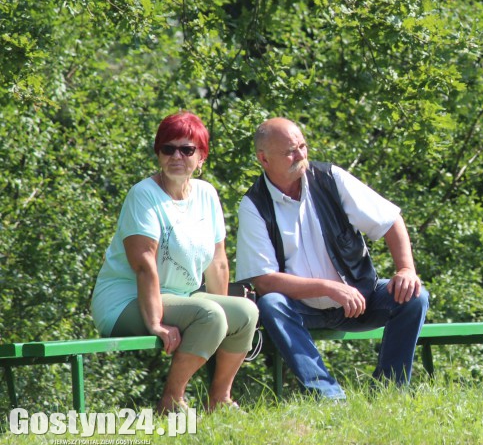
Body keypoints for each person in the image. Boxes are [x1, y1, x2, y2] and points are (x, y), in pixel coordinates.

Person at [235, 117, 428, 400]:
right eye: (290, 151)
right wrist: (329, 288)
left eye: (302, 145)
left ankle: (389, 391)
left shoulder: (331, 178)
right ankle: (327, 396)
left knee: (414, 296)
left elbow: (390, 220)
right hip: (302, 309)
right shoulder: (253, 204)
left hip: (360, 300)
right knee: (271, 303)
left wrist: (406, 269)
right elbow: (265, 280)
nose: (301, 155)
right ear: (263, 158)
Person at [91, 111, 259, 413]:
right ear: (158, 154)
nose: (176, 156)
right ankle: (172, 401)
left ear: (202, 157)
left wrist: (224, 316)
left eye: (187, 149)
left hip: (183, 299)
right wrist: (155, 322)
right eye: (167, 148)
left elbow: (218, 262)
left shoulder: (207, 194)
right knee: (210, 315)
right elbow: (144, 264)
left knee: (245, 312)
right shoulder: (143, 195)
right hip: (126, 301)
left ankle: (219, 399)